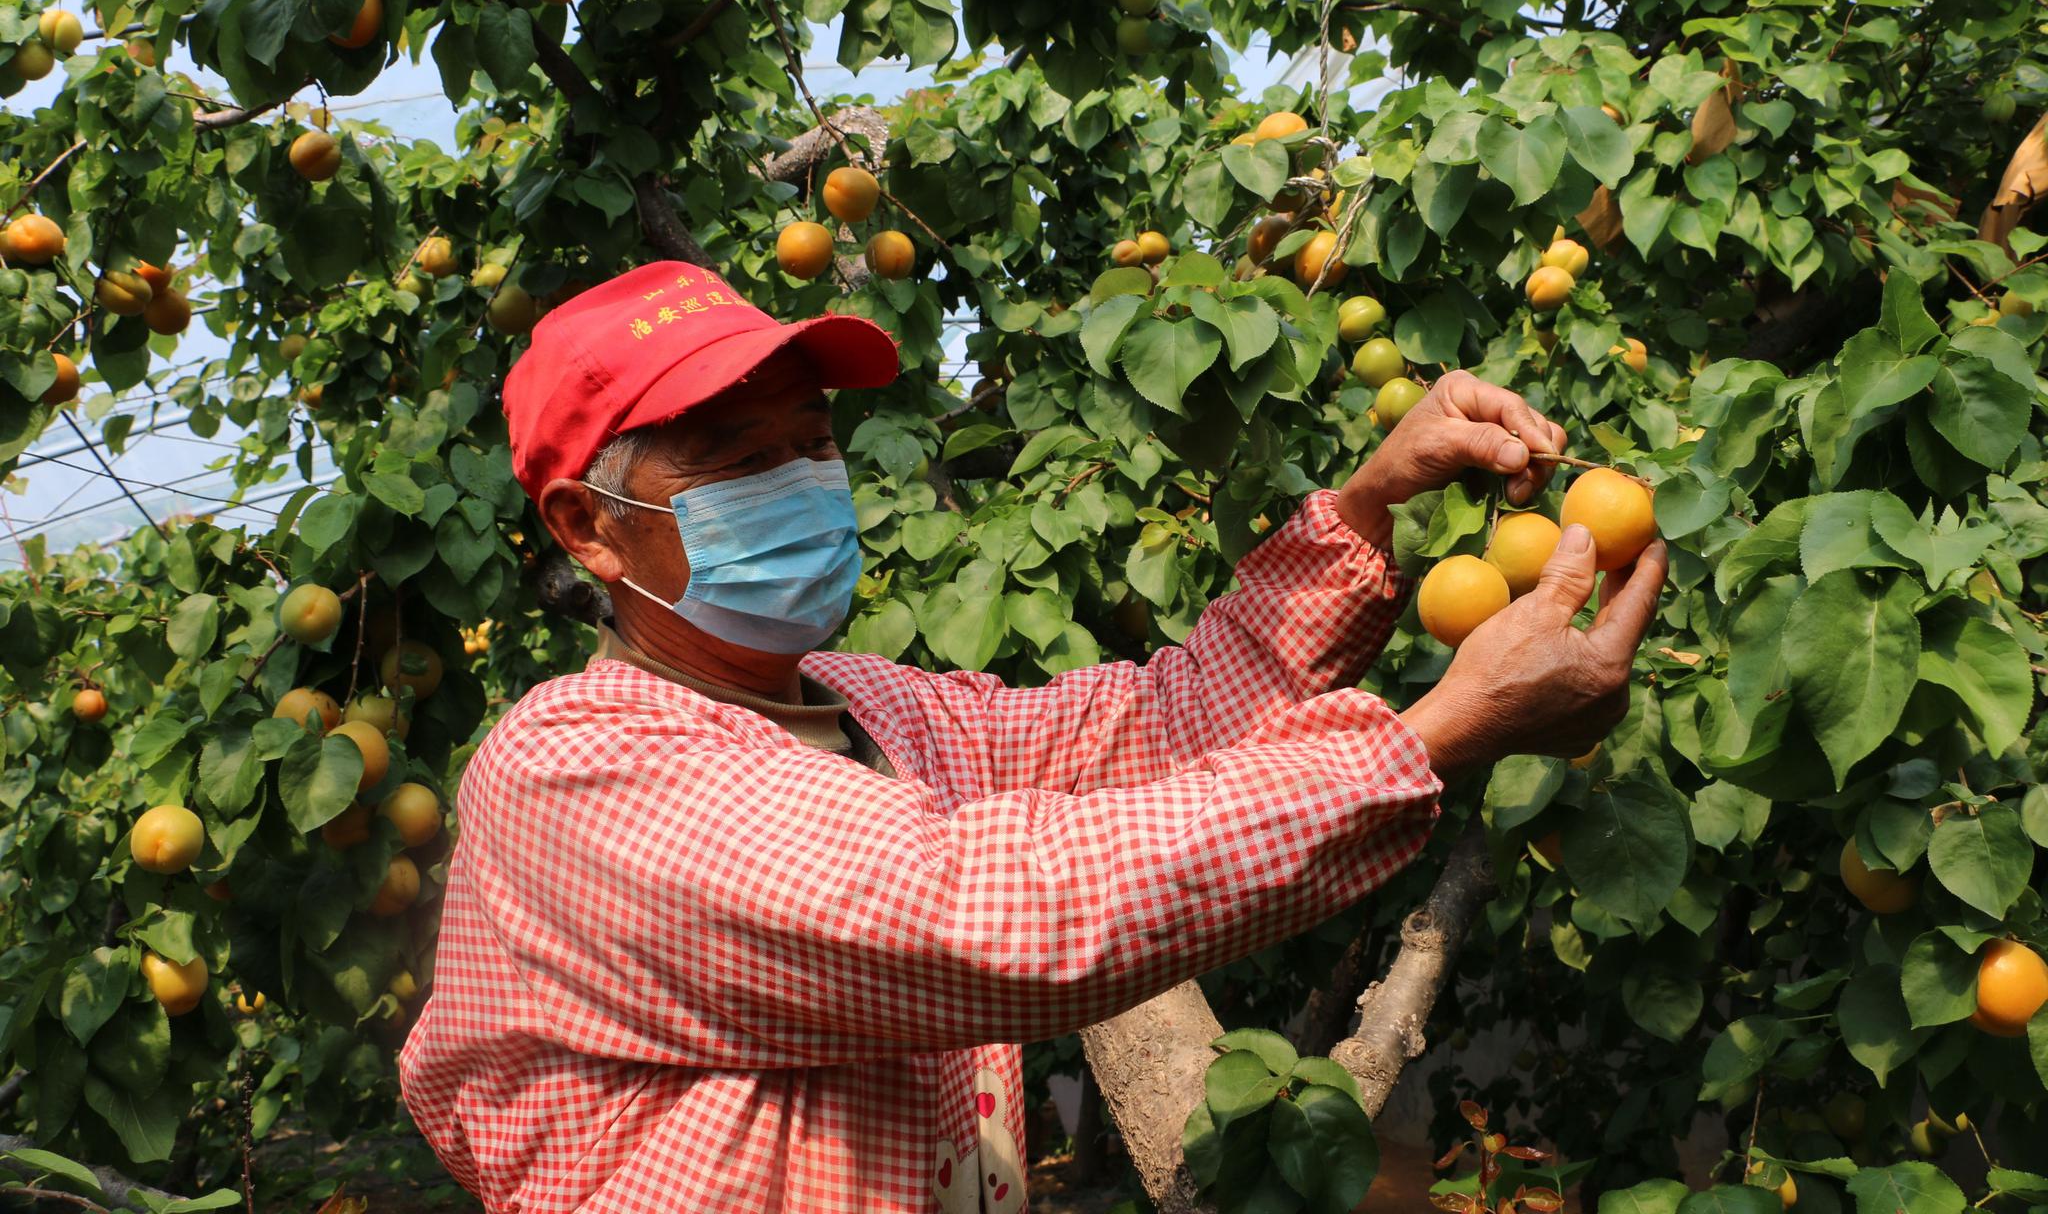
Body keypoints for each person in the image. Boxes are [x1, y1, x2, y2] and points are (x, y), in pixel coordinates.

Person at [397, 260, 1667, 1212]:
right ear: (586, 525)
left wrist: (1368, 499)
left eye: (810, 443)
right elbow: (1002, 911)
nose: (799, 480)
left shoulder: (868, 704)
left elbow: (1154, 725)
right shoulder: (580, 766)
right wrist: (1434, 734)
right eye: (738, 461)